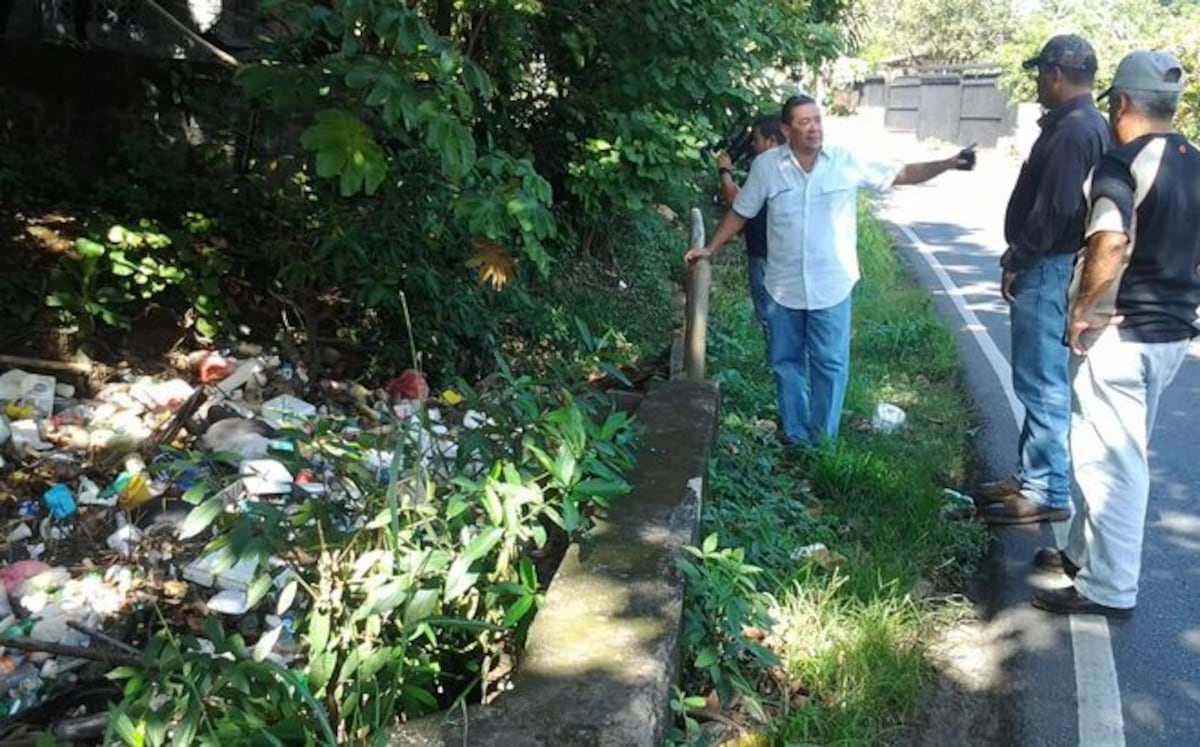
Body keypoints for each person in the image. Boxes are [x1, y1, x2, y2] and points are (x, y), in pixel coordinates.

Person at [685, 94, 973, 446]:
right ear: (787, 129)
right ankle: (795, 435)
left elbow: (901, 173)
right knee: (786, 364)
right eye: (804, 122)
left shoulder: (844, 162)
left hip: (831, 286)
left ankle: (823, 442)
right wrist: (709, 249)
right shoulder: (767, 167)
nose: (813, 128)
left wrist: (947, 162)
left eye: (817, 119)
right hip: (783, 287)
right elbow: (741, 211)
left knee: (830, 365)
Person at [1031, 50, 1197, 618]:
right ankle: (1082, 554)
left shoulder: (1119, 164)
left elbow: (1108, 238)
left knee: (1113, 464)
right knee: (1105, 449)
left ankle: (1111, 588)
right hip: (1170, 335)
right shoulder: (1194, 162)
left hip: (1120, 335)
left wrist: (1083, 309)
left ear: (1121, 103)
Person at [975, 34, 1111, 524]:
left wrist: (1018, 257)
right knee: (1036, 378)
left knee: (1041, 381)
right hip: (1053, 264)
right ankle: (1031, 474)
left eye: (1039, 74)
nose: (1035, 82)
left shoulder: (1074, 131)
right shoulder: (1084, 124)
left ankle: (1048, 491)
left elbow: (1056, 209)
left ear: (1056, 73)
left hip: (1048, 266)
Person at [716, 115, 787, 326]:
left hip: (764, 255)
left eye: (756, 139)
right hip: (783, 254)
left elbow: (736, 202)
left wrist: (724, 170)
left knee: (769, 317)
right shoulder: (789, 167)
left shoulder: (768, 167)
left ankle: (778, 358)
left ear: (772, 141)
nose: (753, 146)